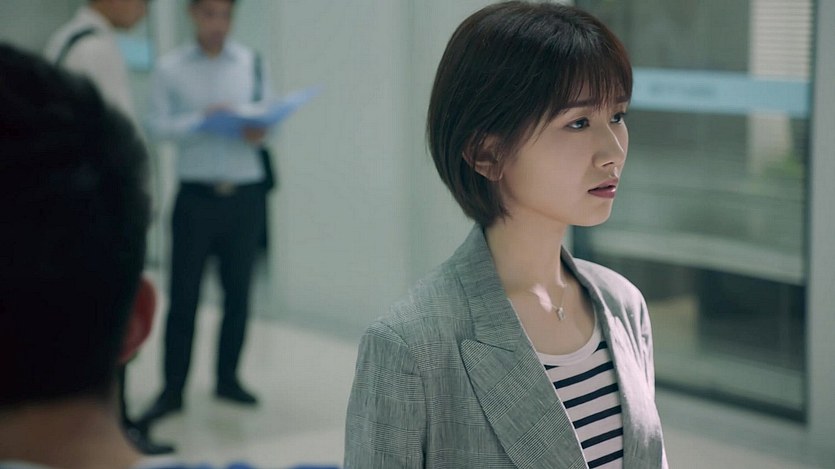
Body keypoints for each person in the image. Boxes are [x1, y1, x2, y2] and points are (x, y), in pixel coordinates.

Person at [344, 2, 668, 468]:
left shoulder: (623, 305)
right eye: (578, 122)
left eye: (617, 116)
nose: (613, 151)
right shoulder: (410, 345)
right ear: (487, 153)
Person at [44, 0, 175, 455]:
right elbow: (117, 144)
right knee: (112, 326)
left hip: (74, 216)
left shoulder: (65, 40)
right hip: (104, 217)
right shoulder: (95, 49)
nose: (144, 7)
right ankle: (115, 431)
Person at [137, 0, 272, 431]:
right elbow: (155, 125)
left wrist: (260, 129)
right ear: (193, 14)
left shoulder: (251, 63)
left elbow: (268, 121)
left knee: (239, 294)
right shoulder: (170, 68)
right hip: (196, 198)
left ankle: (227, 379)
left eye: (225, 15)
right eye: (210, 13)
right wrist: (201, 121)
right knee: (184, 296)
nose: (218, 23)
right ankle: (172, 389)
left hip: (245, 195)